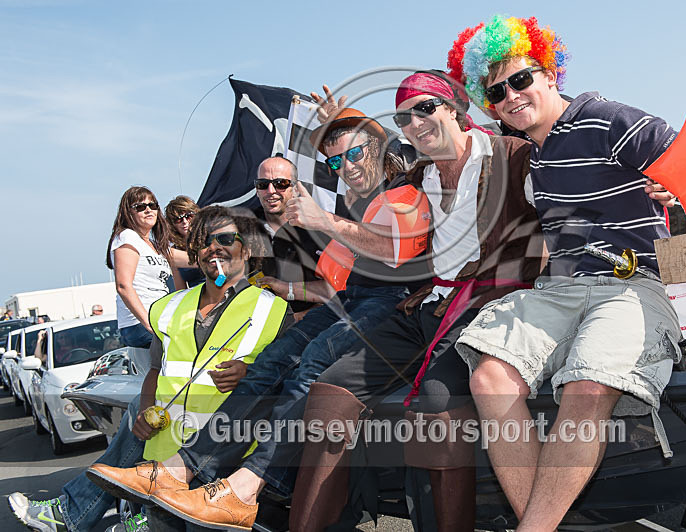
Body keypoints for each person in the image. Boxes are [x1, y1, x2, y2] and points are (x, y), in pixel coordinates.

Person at [444, 16, 686, 531]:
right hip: (563, 290)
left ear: (550, 73)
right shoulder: (534, 155)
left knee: (589, 386)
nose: (509, 96)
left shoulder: (605, 117)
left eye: (520, 79)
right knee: (489, 376)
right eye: (495, 92)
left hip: (632, 284)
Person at [86, 108, 430, 531]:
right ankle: (180, 469)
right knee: (270, 364)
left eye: (355, 154)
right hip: (347, 303)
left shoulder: (398, 193)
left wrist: (297, 274)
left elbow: (391, 251)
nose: (346, 168)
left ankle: (246, 486)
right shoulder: (350, 205)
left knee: (311, 366)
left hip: (383, 306)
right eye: (336, 161)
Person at [286, 75, 545, 532]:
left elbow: (566, 201)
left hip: (485, 308)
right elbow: (371, 193)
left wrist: (649, 192)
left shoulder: (513, 156)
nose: (415, 122)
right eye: (405, 116)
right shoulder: (417, 175)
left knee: (437, 409)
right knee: (330, 394)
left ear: (454, 108)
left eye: (425, 108)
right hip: (424, 307)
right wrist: (341, 125)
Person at [9, 205, 293, 532]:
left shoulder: (273, 310)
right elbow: (156, 371)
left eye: (225, 239)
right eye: (203, 242)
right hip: (163, 466)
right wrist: (145, 410)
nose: (213, 248)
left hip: (222, 469)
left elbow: (285, 389)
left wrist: (247, 373)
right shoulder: (169, 308)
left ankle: (72, 514)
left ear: (245, 248)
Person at [251, 156, 331, 318]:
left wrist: (297, 311)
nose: (271, 191)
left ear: (295, 188)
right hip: (250, 322)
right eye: (263, 184)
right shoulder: (241, 226)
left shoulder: (321, 229)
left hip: (308, 322)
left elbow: (341, 288)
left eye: (280, 184)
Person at [106, 186, 183, 348]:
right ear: (128, 213)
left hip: (160, 319)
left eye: (152, 205)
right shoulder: (127, 237)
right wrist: (149, 324)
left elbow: (193, 260)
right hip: (141, 324)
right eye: (140, 207)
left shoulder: (155, 246)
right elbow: (123, 286)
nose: (148, 210)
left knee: (161, 371)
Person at [165, 195, 204, 287]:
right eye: (178, 219)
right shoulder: (174, 252)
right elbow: (180, 289)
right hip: (196, 297)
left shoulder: (209, 238)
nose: (185, 221)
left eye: (189, 216)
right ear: (172, 225)